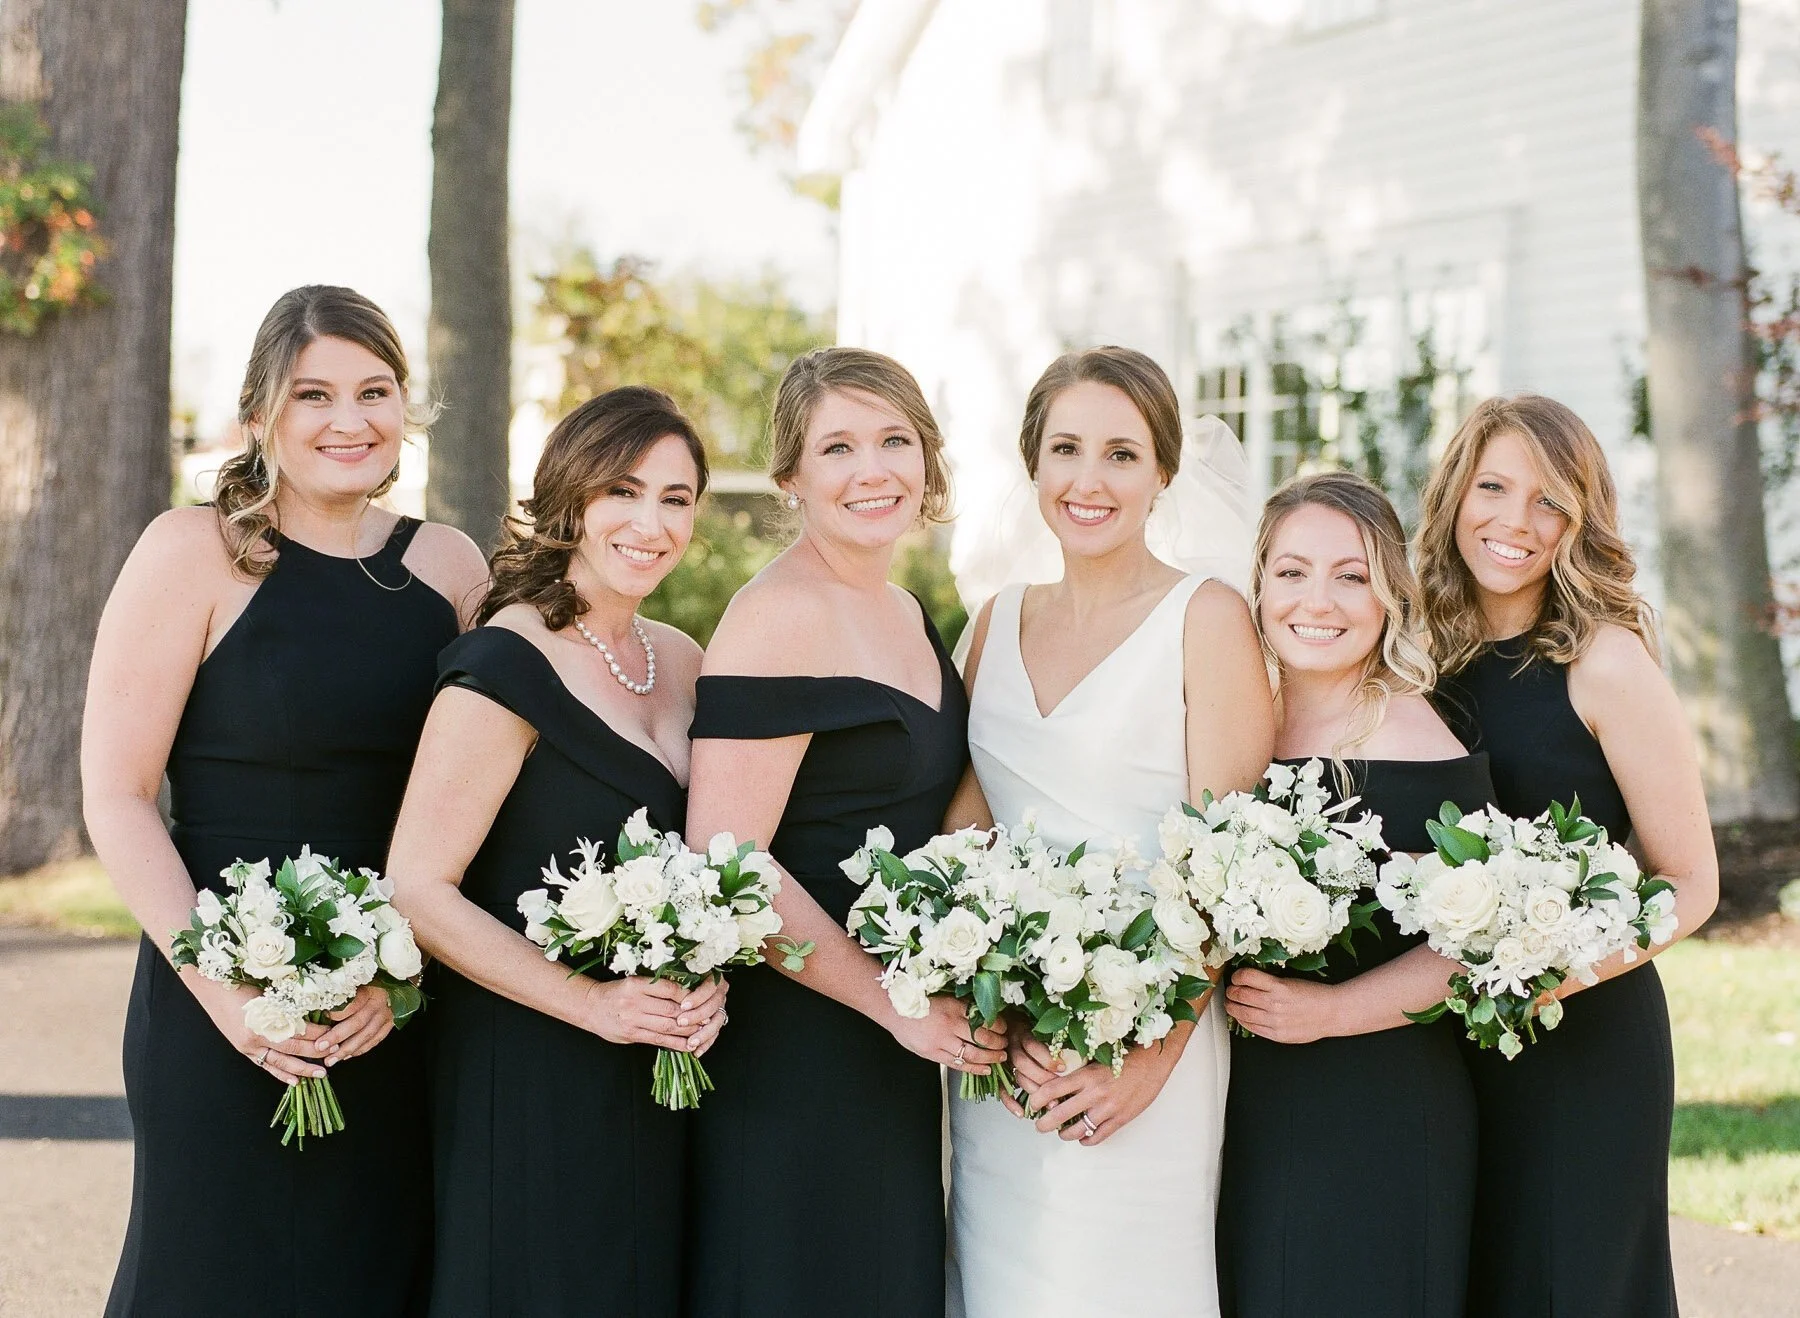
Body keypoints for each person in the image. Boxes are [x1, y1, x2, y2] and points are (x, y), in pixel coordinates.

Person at [82, 285, 488, 1317]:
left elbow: (475, 802)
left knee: (374, 1274)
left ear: (409, 409)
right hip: (215, 997)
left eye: (374, 391)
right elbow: (119, 796)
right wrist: (225, 993)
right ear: (261, 413)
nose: (348, 420)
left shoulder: (449, 568)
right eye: (314, 394)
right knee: (211, 1275)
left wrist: (396, 979)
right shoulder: (192, 551)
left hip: (393, 1004)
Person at [947, 347, 1273, 1318]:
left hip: (1150, 1043)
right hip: (1009, 1054)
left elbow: (1231, 863)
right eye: (1067, 449)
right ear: (1034, 465)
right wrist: (989, 1007)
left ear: (1163, 473)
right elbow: (963, 836)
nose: (1090, 480)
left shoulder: (1206, 619)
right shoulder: (991, 621)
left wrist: (1148, 1059)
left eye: (1122, 454)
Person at [682, 347, 1007, 1318]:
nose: (873, 469)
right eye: (838, 447)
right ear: (792, 478)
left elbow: (938, 805)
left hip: (893, 1040)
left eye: (894, 440)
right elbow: (727, 861)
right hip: (800, 1045)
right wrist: (890, 1004)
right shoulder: (775, 614)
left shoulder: (903, 610)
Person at [387, 387, 725, 1317]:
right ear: (571, 498)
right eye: (624, 490)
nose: (651, 523)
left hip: (661, 1065)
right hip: (529, 1063)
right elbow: (417, 885)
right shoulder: (506, 662)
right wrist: (590, 1004)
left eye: (676, 497)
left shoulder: (688, 662)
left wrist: (709, 970)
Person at [1417, 394, 1718, 1317]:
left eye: (1548, 501)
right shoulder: (1419, 651)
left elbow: (1691, 884)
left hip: (1579, 1048)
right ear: (1456, 491)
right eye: (1494, 486)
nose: (1514, 521)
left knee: (1566, 1286)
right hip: (1441, 1047)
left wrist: (1545, 975)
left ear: (1579, 522)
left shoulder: (1604, 661)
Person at [1215, 470, 1496, 1317]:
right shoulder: (1234, 721)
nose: (1320, 601)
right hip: (1245, 1102)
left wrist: (1333, 1012)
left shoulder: (1420, 743)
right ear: (1259, 584)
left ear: (1389, 597)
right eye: (1293, 571)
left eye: (1352, 575)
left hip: (1378, 1107)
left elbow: (1477, 945)